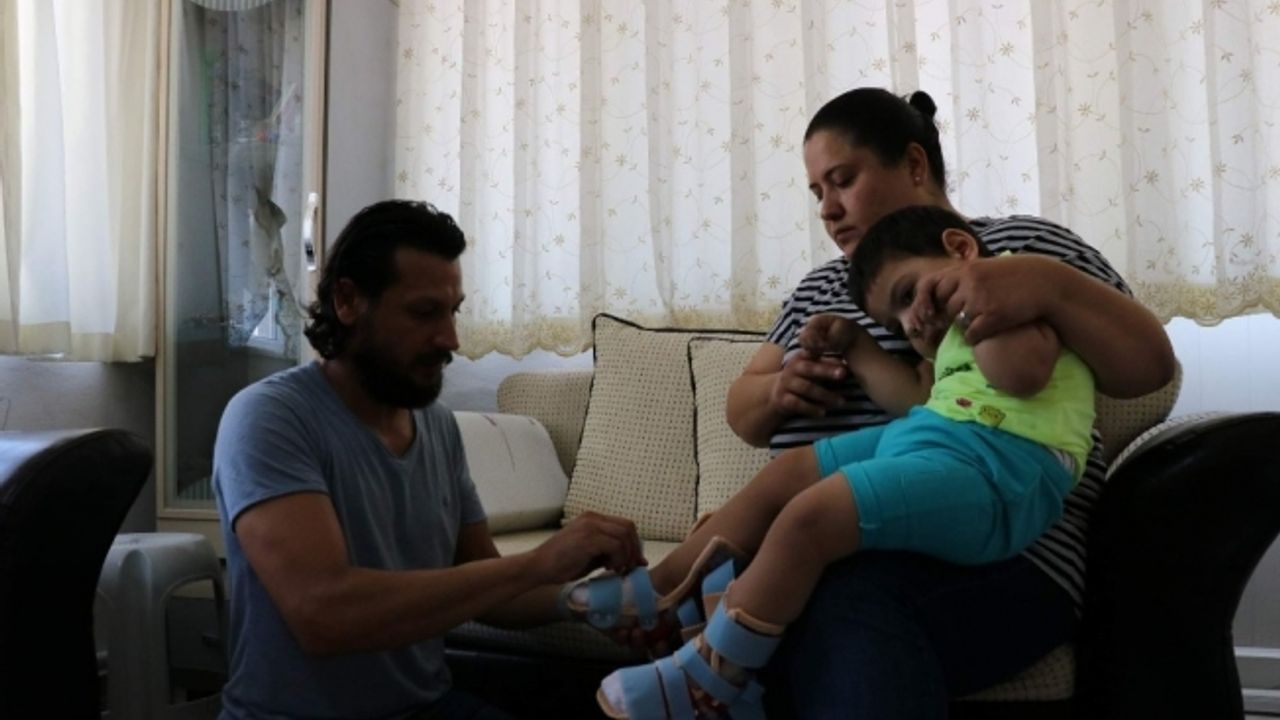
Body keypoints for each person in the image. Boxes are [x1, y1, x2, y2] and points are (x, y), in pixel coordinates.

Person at [728, 87, 1175, 718]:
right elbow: (743, 415)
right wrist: (776, 390)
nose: (827, 210)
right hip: (811, 532)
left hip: (996, 537)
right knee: (725, 588)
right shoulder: (819, 287)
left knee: (846, 603)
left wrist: (1044, 285)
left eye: (843, 181)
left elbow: (1148, 369)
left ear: (915, 164)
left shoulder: (1017, 245)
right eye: (816, 193)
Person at [561, 205, 1099, 719]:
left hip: (1006, 469)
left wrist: (977, 297)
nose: (912, 324)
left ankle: (712, 677)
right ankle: (659, 589)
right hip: (944, 439)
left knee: (812, 516)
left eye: (908, 296)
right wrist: (854, 341)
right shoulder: (949, 338)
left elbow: (1021, 374)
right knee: (789, 473)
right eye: (898, 321)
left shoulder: (1011, 289)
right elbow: (915, 397)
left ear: (960, 249)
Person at [211, 199, 646, 720]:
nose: (450, 339)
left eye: (453, 311)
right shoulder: (270, 419)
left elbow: (489, 587)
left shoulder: (437, 426)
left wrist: (583, 601)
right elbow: (323, 612)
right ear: (347, 301)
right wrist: (538, 563)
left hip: (429, 705)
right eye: (424, 313)